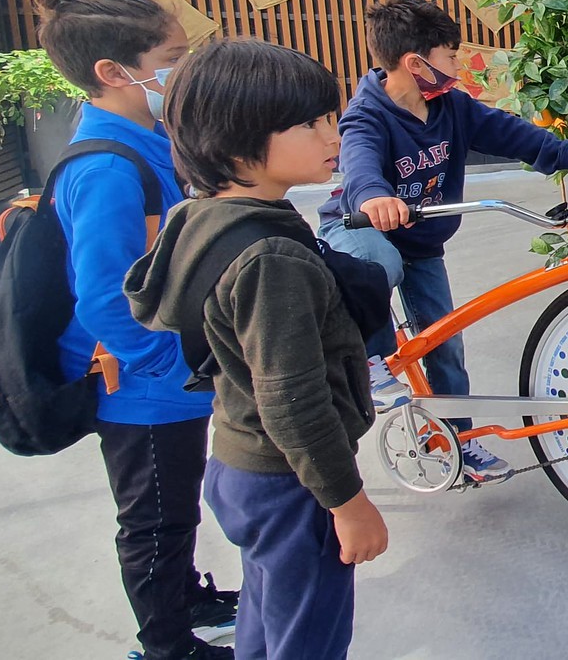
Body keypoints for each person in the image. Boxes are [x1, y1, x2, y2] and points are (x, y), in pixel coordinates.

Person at [126, 39, 383, 660]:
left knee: (267, 619)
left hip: (241, 465)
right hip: (292, 482)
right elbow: (292, 400)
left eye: (331, 116)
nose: (333, 133)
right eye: (309, 122)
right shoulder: (272, 258)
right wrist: (347, 503)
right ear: (237, 142)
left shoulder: (205, 217)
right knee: (308, 638)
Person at [315, 0, 568, 482]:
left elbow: (510, 133)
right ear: (416, 63)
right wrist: (374, 198)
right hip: (358, 229)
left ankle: (458, 443)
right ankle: (370, 359)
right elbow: (359, 161)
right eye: (450, 57)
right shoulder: (368, 115)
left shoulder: (450, 107)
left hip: (423, 242)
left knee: (445, 343)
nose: (458, 67)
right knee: (379, 263)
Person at [31, 0, 236, 660]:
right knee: (154, 518)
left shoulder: (147, 137)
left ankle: (187, 595)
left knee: (176, 501)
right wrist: (168, 364)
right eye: (172, 57)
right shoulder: (108, 168)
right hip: (141, 383)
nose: (184, 67)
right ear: (113, 73)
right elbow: (99, 294)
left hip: (166, 369)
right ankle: (166, 643)